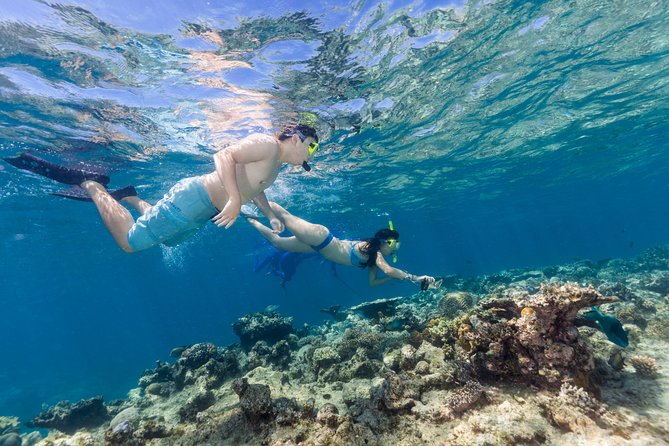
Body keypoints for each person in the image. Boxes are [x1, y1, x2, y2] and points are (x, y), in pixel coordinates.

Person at [4, 124, 320, 252]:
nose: (310, 155)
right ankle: (92, 184)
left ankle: (129, 196)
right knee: (131, 243)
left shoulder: (275, 164)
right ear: (297, 138)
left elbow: (256, 186)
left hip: (202, 210)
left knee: (166, 243)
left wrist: (268, 214)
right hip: (194, 199)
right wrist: (235, 200)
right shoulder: (266, 144)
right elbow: (223, 155)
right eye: (312, 148)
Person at [245, 202, 437, 287]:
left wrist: (395, 278)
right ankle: (254, 200)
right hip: (321, 237)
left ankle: (248, 217)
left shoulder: (372, 259)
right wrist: (415, 277)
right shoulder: (375, 252)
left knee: (277, 243)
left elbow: (373, 283)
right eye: (394, 245)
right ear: (384, 242)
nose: (394, 249)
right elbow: (388, 270)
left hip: (317, 246)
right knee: (283, 216)